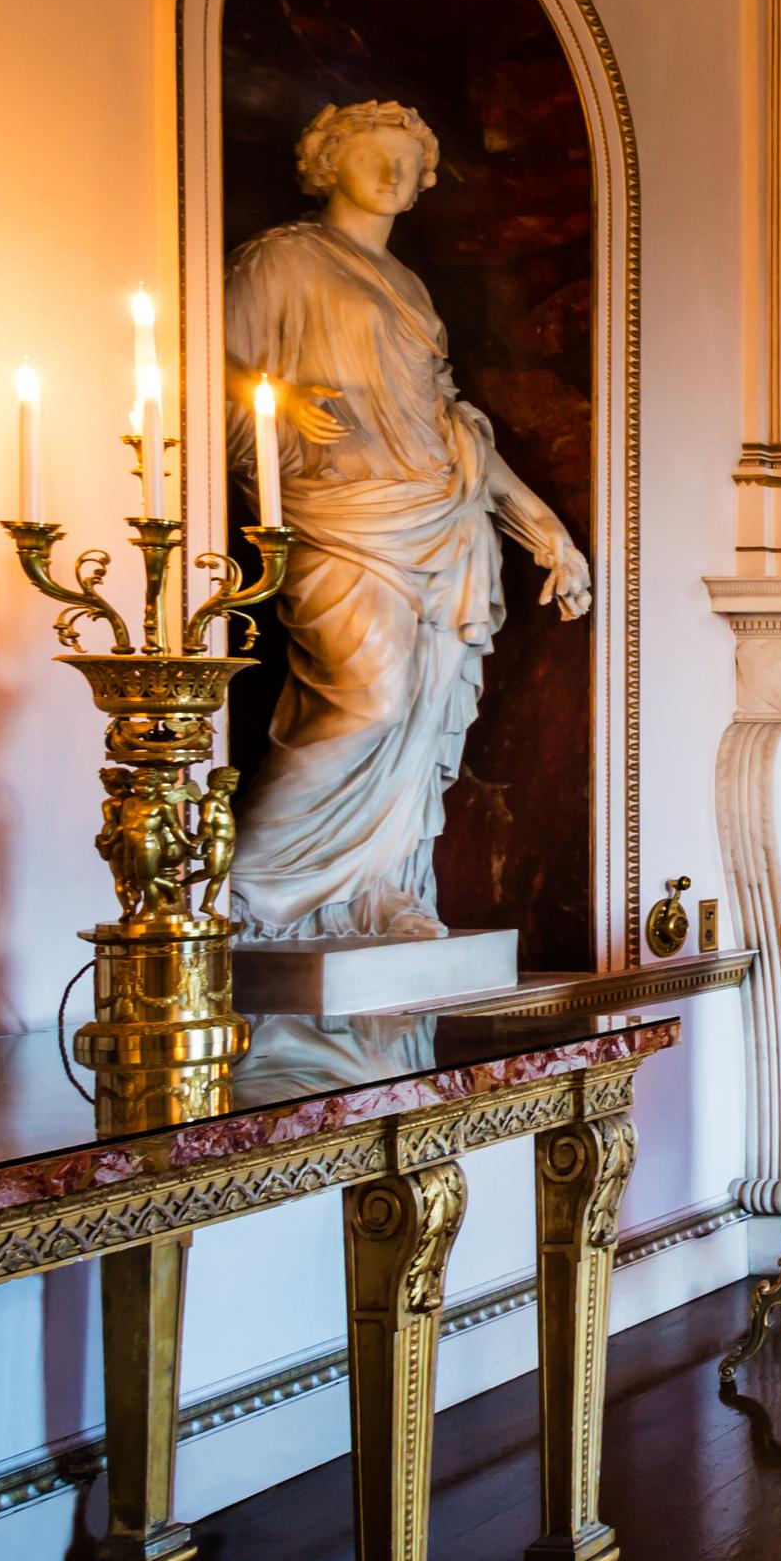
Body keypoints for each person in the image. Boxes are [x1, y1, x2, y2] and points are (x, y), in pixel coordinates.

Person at [223, 100, 588, 938]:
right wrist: (267, 403)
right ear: (327, 162)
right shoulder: (281, 260)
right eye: (372, 154)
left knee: (419, 717)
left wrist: (545, 529)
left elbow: (450, 420)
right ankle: (246, 887)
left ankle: (379, 892)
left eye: (406, 162)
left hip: (444, 516)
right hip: (345, 515)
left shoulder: (412, 286)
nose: (391, 173)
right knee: (368, 701)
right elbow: (210, 365)